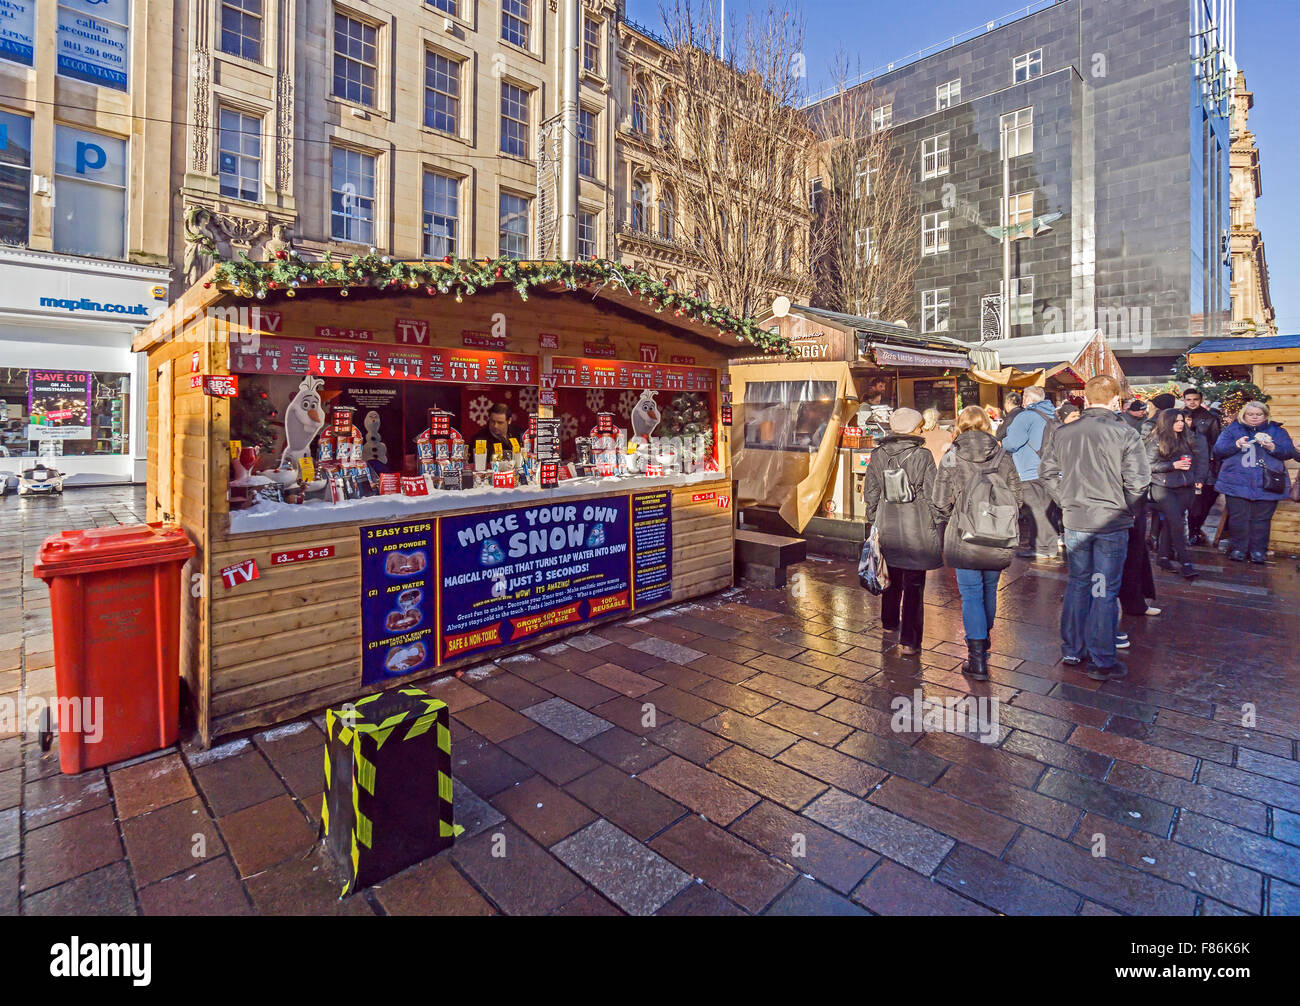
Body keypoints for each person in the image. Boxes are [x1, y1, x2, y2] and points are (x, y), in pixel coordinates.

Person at [1040, 375, 1151, 680]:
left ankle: (1074, 648)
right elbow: (1140, 481)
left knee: (1079, 582)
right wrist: (1125, 506)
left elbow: (1047, 472)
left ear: (1086, 400)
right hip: (1109, 522)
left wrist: (1065, 499)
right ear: (1116, 400)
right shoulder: (1125, 433)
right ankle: (1101, 658)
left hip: (1078, 517)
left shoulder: (1063, 432)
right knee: (1102, 587)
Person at [931, 406, 1022, 680]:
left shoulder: (952, 456)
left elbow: (938, 499)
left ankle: (977, 657)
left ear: (960, 425)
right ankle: (984, 639)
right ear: (986, 425)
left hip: (963, 535)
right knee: (989, 590)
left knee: (971, 595)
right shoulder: (1003, 454)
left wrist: (954, 516)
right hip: (997, 535)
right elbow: (1017, 496)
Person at [861, 408, 943, 657]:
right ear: (914, 428)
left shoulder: (878, 454)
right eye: (919, 426)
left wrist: (874, 520)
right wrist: (937, 521)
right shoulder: (922, 456)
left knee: (891, 574)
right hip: (916, 526)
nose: (922, 430)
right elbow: (933, 494)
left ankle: (888, 623)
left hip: (887, 523)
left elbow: (871, 492)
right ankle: (909, 641)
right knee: (914, 585)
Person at [1213, 400, 1295, 563]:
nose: (1255, 417)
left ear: (1266, 415)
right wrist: (1236, 444)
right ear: (1244, 415)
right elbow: (1218, 451)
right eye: (1250, 414)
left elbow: (1289, 452)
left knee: (1262, 519)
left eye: (1259, 414)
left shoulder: (1277, 431)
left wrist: (1272, 447)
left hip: (1268, 482)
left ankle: (1258, 551)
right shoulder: (1232, 430)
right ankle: (1239, 549)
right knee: (1238, 518)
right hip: (1236, 481)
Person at [1144, 409, 1207, 580]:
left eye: (1182, 420)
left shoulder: (1188, 438)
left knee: (1172, 523)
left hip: (1185, 486)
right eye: (1176, 421)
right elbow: (1148, 466)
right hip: (1163, 487)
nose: (1180, 423)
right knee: (1177, 523)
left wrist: (1197, 479)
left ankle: (1163, 558)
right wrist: (1173, 465)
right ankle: (1185, 562)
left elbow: (1199, 461)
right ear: (1167, 422)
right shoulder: (1156, 440)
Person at [1000, 385, 1060, 560]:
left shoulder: (1025, 417)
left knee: (1035, 511)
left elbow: (1013, 443)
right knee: (1047, 510)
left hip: (1029, 469)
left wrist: (1002, 442)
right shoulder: (1051, 415)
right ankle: (1048, 545)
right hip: (1050, 469)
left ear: (1027, 399)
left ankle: (1041, 548)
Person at [1181, 387, 1222, 545]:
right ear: (1184, 400)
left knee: (1205, 499)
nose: (1192, 402)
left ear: (1201, 400)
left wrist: (1214, 464)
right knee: (1191, 500)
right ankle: (1192, 531)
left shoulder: (1211, 417)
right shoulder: (1179, 415)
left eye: (1195, 399)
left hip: (1206, 463)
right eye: (1189, 399)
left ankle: (1195, 529)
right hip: (1184, 462)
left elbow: (1215, 442)